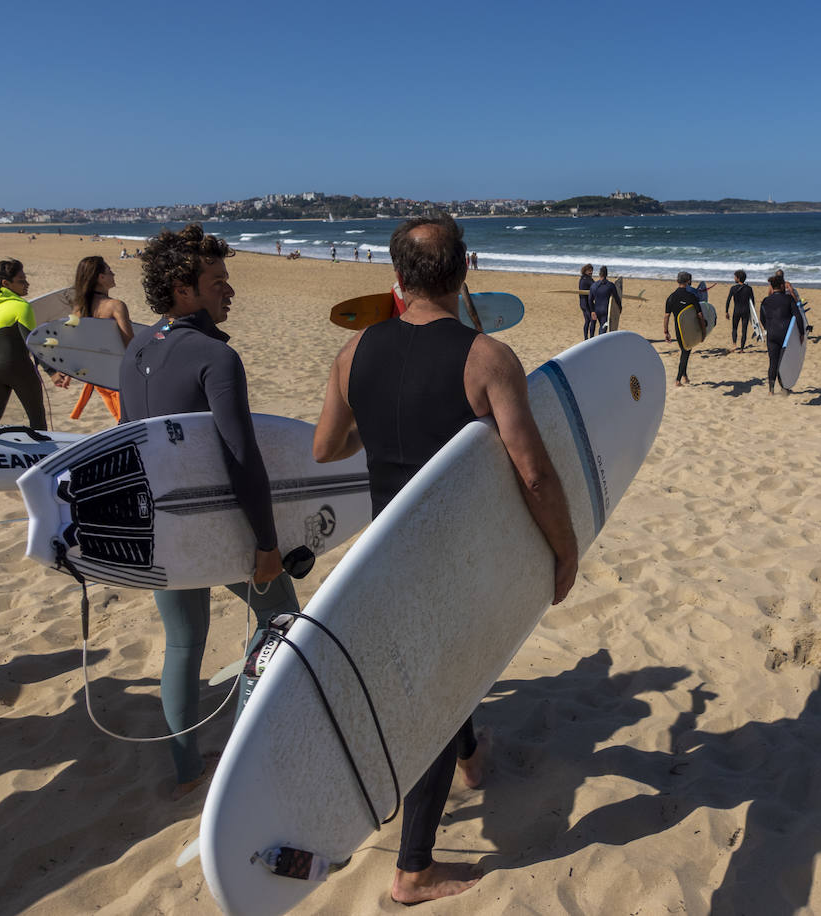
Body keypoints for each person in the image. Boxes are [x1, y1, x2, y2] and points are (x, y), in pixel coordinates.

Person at [312, 214, 577, 904]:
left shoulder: (353, 355)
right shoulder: (487, 359)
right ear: (466, 269)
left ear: (396, 278)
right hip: (449, 564)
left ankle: (471, 757)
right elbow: (535, 473)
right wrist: (564, 549)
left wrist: (375, 430)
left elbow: (325, 448)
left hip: (380, 561)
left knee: (443, 676)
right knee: (436, 694)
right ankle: (414, 870)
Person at [118, 224, 301, 799]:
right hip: (214, 527)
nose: (230, 291)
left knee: (182, 641)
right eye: (218, 281)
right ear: (182, 288)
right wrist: (267, 544)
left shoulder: (136, 349)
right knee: (279, 623)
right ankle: (249, 754)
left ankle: (186, 769)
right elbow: (242, 458)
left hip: (155, 525)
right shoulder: (215, 358)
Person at [0, 259, 48, 429]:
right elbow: (33, 343)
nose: (27, 284)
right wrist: (51, 370)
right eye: (21, 281)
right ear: (6, 283)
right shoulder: (22, 307)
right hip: (19, 369)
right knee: (37, 420)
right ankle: (42, 456)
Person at [62, 255, 134, 419]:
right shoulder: (115, 306)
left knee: (120, 418)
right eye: (110, 271)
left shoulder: (79, 308)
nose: (113, 274)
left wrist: (69, 372)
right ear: (101, 278)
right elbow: (130, 345)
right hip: (117, 376)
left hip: (98, 378)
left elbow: (76, 344)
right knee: (127, 420)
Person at [664, 271, 706, 387]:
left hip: (678, 330)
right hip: (690, 329)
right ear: (688, 282)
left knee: (685, 351)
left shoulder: (671, 297)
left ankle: (685, 376)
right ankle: (678, 380)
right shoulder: (691, 296)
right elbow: (700, 315)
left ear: (677, 281)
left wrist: (666, 331)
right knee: (685, 352)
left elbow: (666, 316)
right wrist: (703, 331)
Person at [758, 274, 795, 393]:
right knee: (785, 362)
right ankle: (784, 388)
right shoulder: (788, 299)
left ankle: (771, 390)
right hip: (786, 335)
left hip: (772, 334)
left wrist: (768, 328)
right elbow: (797, 317)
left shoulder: (765, 300)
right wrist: (800, 334)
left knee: (773, 362)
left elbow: (762, 318)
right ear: (782, 285)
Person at [725, 269, 756, 351]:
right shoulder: (749, 288)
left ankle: (734, 344)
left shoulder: (733, 288)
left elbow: (728, 300)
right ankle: (742, 348)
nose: (734, 278)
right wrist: (753, 314)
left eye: (735, 277)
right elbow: (753, 302)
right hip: (746, 311)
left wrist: (726, 311)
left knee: (734, 328)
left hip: (737, 311)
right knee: (744, 330)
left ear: (738, 278)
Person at [588, 266, 621, 334]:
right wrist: (620, 307)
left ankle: (591, 339)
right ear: (606, 274)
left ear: (599, 274)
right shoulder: (610, 285)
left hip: (596, 309)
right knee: (603, 328)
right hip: (605, 311)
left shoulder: (593, 286)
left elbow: (590, 300)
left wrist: (592, 311)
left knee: (595, 326)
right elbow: (616, 298)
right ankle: (600, 342)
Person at [577, 264, 595, 339]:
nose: (591, 272)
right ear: (585, 271)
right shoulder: (586, 279)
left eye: (592, 270)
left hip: (583, 303)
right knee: (592, 320)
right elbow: (595, 285)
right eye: (589, 270)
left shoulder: (584, 278)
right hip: (586, 304)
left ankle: (586, 338)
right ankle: (590, 338)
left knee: (588, 321)